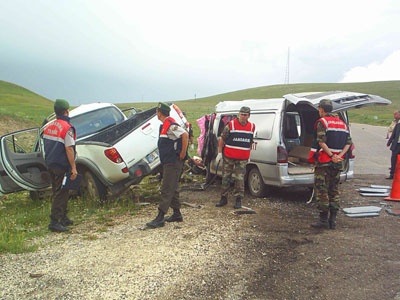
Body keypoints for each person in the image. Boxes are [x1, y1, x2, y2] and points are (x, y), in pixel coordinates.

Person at [309, 99, 352, 230]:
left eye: (319, 109)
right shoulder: (342, 124)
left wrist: (332, 156)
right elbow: (349, 143)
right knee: (334, 190)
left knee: (322, 190)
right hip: (337, 163)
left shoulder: (323, 122)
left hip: (324, 162)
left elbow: (321, 142)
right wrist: (339, 156)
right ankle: (333, 221)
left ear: (321, 109)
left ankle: (323, 220)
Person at [146, 102, 189, 228]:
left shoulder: (170, 124)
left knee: (166, 188)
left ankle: (160, 217)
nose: (156, 113)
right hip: (168, 161)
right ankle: (177, 213)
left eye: (157, 111)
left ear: (160, 113)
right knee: (173, 187)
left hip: (172, 162)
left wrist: (182, 153)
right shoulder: (165, 125)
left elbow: (184, 135)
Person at [42, 99, 78, 232]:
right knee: (61, 192)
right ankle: (55, 221)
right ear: (66, 111)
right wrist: (73, 167)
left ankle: (63, 217)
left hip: (51, 163)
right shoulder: (67, 128)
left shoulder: (49, 126)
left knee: (59, 190)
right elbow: (69, 149)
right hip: (62, 165)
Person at [215, 106, 255, 209]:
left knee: (239, 179)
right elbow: (222, 139)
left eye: (245, 115)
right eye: (241, 114)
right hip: (229, 157)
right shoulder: (231, 125)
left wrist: (249, 154)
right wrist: (219, 153)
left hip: (242, 158)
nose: (243, 116)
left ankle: (238, 200)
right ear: (238, 114)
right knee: (226, 177)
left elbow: (250, 142)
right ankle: (223, 198)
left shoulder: (252, 127)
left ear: (249, 116)